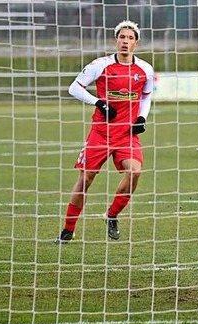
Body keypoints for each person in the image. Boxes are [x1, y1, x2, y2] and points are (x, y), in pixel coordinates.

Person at [55, 20, 154, 243]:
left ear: (136, 43)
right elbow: (74, 88)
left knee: (135, 173)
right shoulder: (101, 65)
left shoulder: (145, 69)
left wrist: (141, 118)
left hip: (127, 134)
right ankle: (68, 230)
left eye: (129, 38)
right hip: (101, 133)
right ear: (116, 40)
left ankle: (112, 215)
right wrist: (98, 102)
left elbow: (146, 96)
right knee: (85, 179)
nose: (125, 42)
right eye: (122, 37)